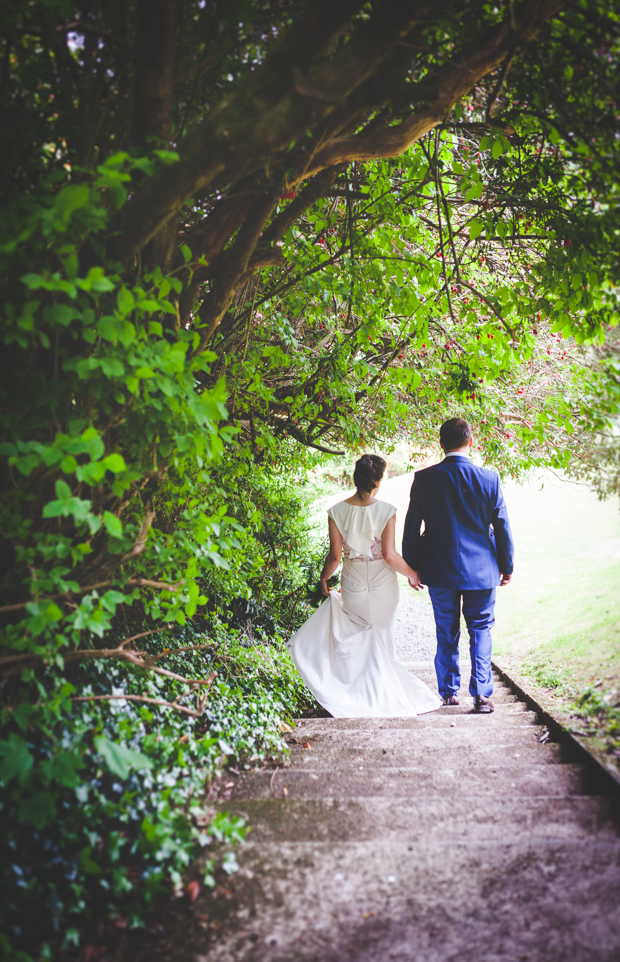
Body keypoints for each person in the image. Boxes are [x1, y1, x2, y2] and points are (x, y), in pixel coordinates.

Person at [287, 454, 441, 718]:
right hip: (383, 585)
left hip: (354, 583)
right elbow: (390, 556)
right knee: (383, 635)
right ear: (378, 482)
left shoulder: (336, 512)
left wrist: (324, 578)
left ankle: (358, 694)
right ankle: (386, 695)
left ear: (355, 479)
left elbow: (335, 556)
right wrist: (413, 574)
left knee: (360, 637)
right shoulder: (387, 511)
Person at [402, 418, 514, 713]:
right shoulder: (489, 479)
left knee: (445, 630)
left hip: (439, 569)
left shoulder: (424, 479)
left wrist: (413, 567)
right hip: (482, 569)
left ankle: (449, 692)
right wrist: (507, 565)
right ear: (471, 441)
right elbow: (501, 527)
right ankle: (481, 695)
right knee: (480, 629)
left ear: (441, 443)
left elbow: (411, 528)